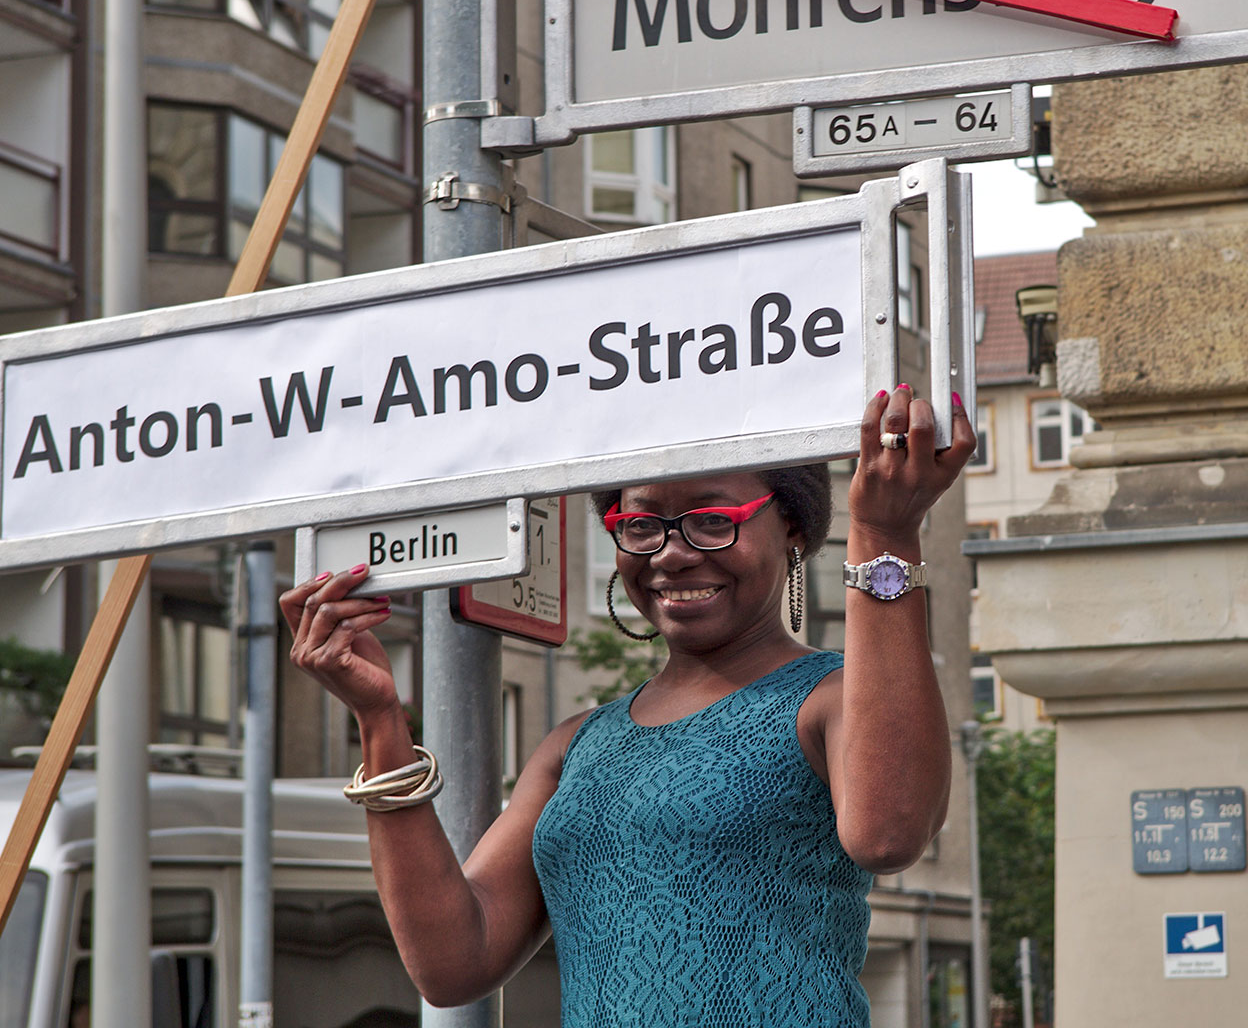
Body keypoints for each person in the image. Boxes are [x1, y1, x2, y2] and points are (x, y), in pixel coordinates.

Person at [282, 384, 976, 1025]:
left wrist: (885, 537)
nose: (671, 554)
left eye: (711, 520)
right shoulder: (575, 744)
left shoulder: (830, 698)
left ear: (793, 528)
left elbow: (890, 835)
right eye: (641, 525)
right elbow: (452, 963)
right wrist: (379, 721)